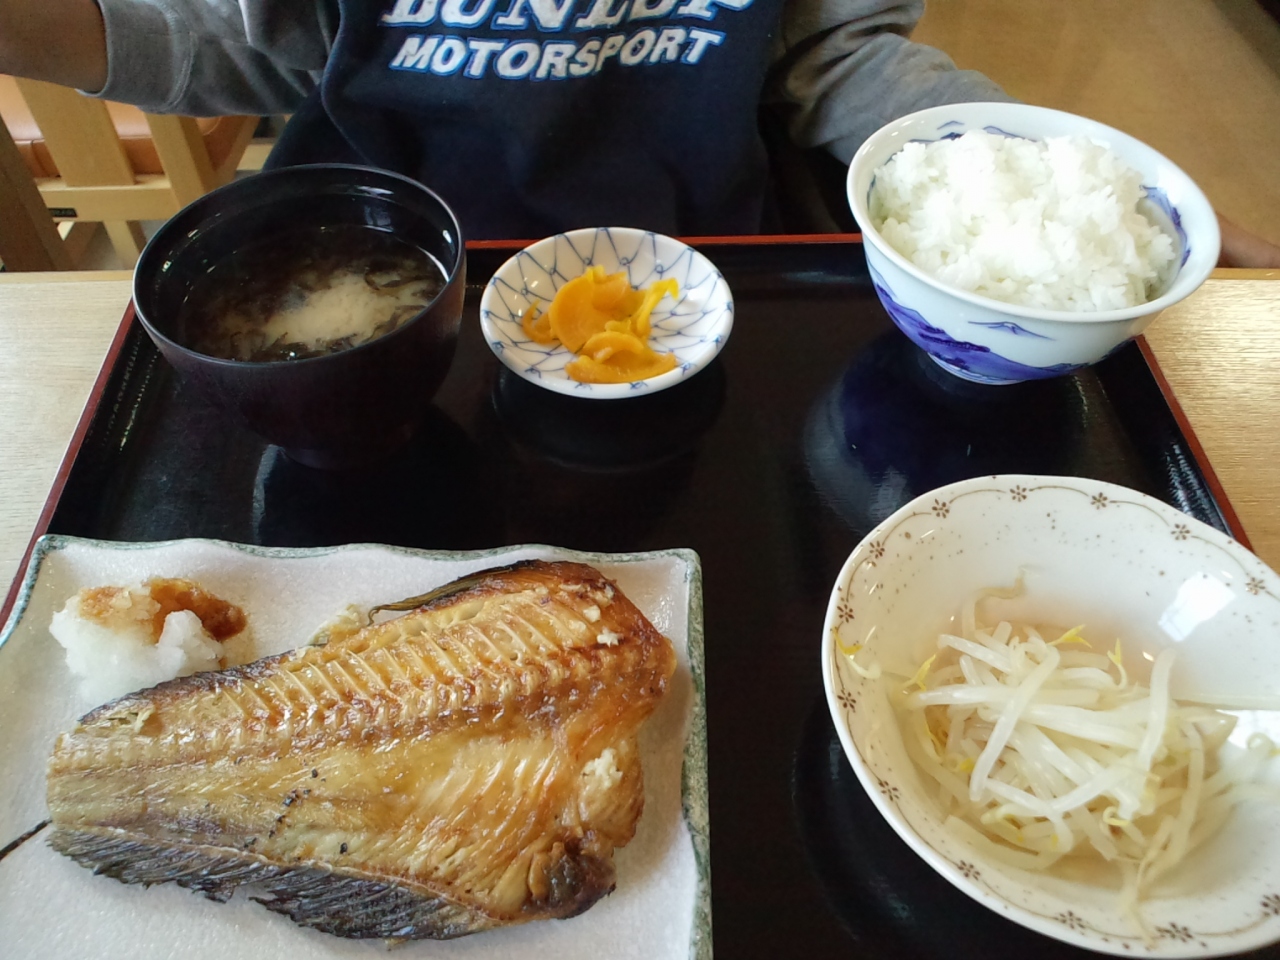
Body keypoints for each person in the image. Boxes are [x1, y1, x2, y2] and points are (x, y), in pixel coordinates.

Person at [2, 0, 1278, 263]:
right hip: (389, 266)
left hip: (710, 267)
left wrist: (1087, 193)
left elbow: (837, 57)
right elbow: (245, 40)